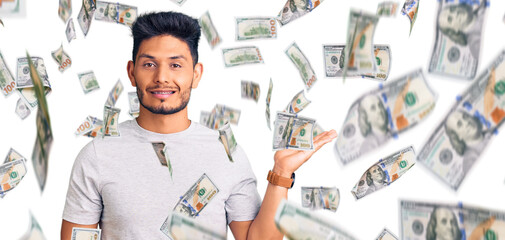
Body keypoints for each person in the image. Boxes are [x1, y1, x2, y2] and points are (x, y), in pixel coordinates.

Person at [60, 11, 337, 240]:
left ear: (196, 74)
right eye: (149, 64)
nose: (162, 77)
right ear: (132, 73)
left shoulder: (227, 153)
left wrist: (281, 173)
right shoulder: (97, 155)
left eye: (176, 65)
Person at [444, 110, 488, 174]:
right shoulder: (470, 161)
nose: (466, 122)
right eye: (460, 125)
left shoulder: (491, 132)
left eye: (465, 117)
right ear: (458, 136)